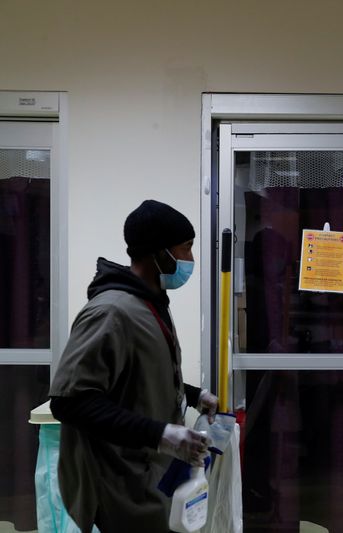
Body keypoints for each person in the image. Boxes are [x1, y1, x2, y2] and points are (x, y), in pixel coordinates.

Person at [50, 200, 218, 533]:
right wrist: (160, 434)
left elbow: (138, 376)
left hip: (151, 474)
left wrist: (195, 396)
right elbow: (69, 401)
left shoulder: (150, 305)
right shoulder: (111, 311)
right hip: (119, 481)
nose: (190, 260)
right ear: (159, 253)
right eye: (186, 249)